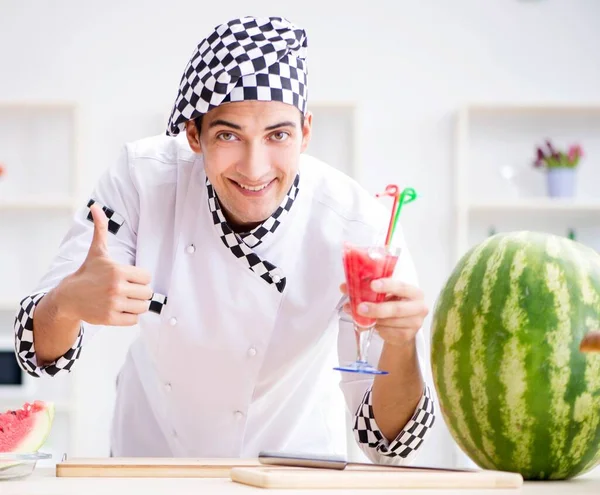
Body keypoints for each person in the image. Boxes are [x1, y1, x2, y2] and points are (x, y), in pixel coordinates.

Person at [13, 15, 435, 463]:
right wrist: (69, 301)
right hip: (153, 458)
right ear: (194, 135)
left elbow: (389, 444)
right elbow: (40, 353)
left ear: (306, 132)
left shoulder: (360, 227)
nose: (254, 169)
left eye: (278, 135)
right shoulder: (141, 179)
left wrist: (402, 342)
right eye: (229, 135)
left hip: (290, 464)